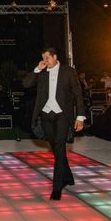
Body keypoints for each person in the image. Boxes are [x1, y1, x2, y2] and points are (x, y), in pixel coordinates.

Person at [23, 47, 85, 201]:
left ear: (55, 57)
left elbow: (78, 93)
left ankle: (57, 188)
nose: (45, 61)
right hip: (45, 115)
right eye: (43, 58)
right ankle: (68, 176)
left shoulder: (68, 71)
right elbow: (26, 84)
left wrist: (81, 117)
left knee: (59, 146)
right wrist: (37, 69)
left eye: (47, 58)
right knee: (56, 148)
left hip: (62, 115)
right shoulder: (42, 71)